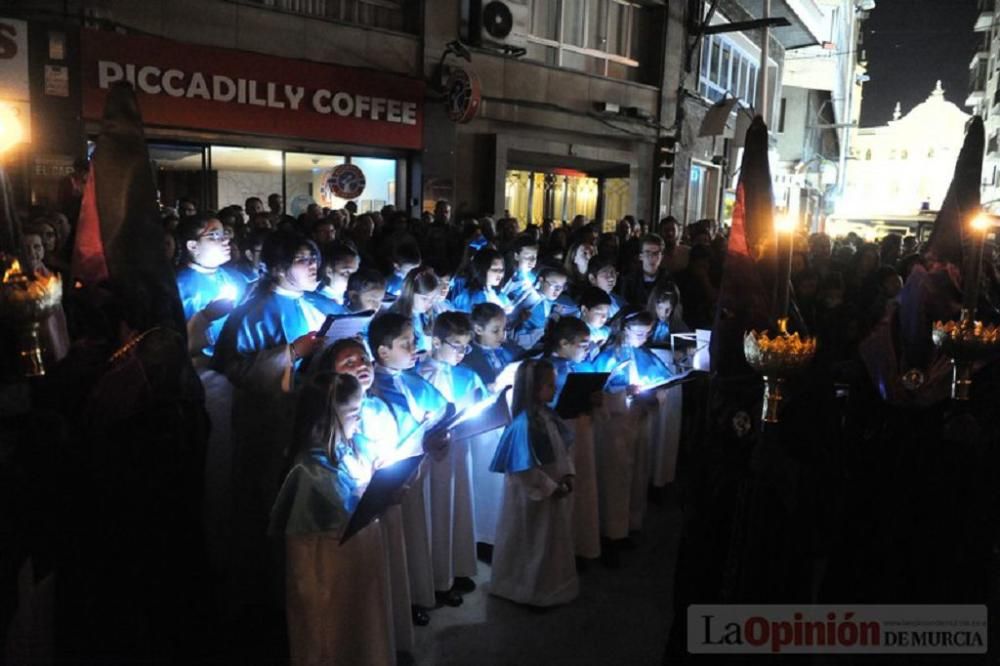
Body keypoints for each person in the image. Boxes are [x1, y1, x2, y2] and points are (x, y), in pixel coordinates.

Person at [213, 230, 327, 608]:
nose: (314, 266)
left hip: (305, 418)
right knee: (263, 501)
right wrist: (292, 351)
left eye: (315, 258)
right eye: (303, 259)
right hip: (266, 422)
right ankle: (261, 589)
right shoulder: (254, 309)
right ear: (278, 267)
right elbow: (235, 367)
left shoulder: (312, 303)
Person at [269, 372, 394, 666]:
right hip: (327, 586)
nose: (359, 421)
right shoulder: (306, 474)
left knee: (361, 635)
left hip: (358, 574)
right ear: (327, 417)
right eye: (353, 414)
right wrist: (310, 606)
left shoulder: (350, 451)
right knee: (333, 643)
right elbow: (301, 560)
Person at [368, 313, 453, 615]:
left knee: (420, 533)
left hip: (421, 471)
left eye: (415, 341)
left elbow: (443, 409)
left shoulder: (414, 379)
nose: (415, 348)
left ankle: (422, 591)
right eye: (406, 343)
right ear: (383, 351)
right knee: (397, 540)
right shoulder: (372, 387)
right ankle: (400, 605)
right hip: (391, 477)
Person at [489, 360, 578, 607]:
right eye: (549, 385)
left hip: (552, 490)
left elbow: (562, 450)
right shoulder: (523, 425)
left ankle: (552, 586)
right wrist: (550, 487)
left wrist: (567, 474)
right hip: (532, 497)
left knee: (550, 543)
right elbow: (523, 469)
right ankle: (525, 589)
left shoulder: (548, 416)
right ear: (533, 388)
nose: (554, 389)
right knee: (532, 543)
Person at [416, 312, 488, 604]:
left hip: (460, 453)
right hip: (431, 459)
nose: (462, 352)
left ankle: (456, 568)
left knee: (459, 509)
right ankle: (436, 577)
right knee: (436, 513)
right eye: (456, 345)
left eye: (466, 346)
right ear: (436, 341)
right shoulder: (420, 375)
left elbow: (481, 405)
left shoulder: (468, 375)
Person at [591, 309, 671, 563]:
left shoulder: (644, 353)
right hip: (615, 424)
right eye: (639, 333)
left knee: (636, 473)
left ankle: (629, 525)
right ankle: (611, 533)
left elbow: (662, 381)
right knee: (615, 477)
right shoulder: (608, 356)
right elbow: (597, 391)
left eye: (647, 333)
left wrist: (655, 395)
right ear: (625, 329)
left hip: (639, 419)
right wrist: (624, 393)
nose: (644, 338)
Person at [543, 317, 601, 561]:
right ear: (564, 343)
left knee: (583, 488)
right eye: (582, 345)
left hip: (580, 431)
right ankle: (558, 551)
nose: (587, 351)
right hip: (555, 436)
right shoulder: (545, 368)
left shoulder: (581, 368)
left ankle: (579, 544)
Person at [460, 302, 518, 545]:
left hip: (507, 420)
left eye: (504, 329)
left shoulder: (508, 352)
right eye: (495, 330)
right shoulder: (468, 357)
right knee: (486, 482)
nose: (502, 336)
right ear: (478, 329)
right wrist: (490, 389)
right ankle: (484, 536)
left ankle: (504, 531)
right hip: (482, 429)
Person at [510, 266, 568, 350]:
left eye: (561, 287)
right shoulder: (531, 299)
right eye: (554, 285)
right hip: (517, 344)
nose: (557, 291)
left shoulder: (547, 301)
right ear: (541, 281)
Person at [391, 266, 440, 356]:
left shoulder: (427, 315)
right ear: (410, 292)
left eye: (433, 299)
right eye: (424, 298)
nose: (429, 303)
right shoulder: (395, 317)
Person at [451, 247, 512, 314]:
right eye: (495, 270)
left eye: (502, 270)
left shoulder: (500, 295)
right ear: (482, 270)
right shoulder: (468, 298)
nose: (500, 274)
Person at [618, 234, 668, 307]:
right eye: (647, 252)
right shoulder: (629, 280)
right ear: (641, 256)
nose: (651, 257)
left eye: (656, 253)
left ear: (662, 257)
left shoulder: (668, 280)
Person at [312, 241, 360, 314]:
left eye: (355, 273)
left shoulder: (352, 300)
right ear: (329, 271)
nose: (353, 279)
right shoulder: (313, 302)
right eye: (346, 273)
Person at [501, 235, 541, 311]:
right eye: (527, 257)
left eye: (534, 257)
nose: (532, 261)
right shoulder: (506, 276)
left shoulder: (533, 277)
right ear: (516, 256)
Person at [577, 286, 612, 361]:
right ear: (584, 310)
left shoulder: (606, 332)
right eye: (599, 312)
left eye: (606, 314)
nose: (604, 317)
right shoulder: (573, 333)